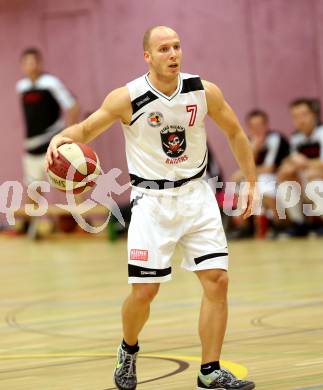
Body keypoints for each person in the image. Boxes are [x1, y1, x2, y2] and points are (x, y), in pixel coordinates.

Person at [45, 26, 256, 390]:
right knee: (145, 291)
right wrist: (59, 138)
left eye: (176, 47)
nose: (173, 54)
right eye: (163, 49)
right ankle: (128, 349)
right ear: (148, 56)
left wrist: (250, 182)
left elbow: (235, 132)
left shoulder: (203, 91)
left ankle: (209, 371)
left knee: (217, 281)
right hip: (151, 204)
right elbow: (86, 128)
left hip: (197, 196)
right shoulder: (127, 97)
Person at [16, 47, 79, 238]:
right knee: (33, 188)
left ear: (40, 63)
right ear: (22, 66)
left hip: (52, 144)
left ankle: (81, 224)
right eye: (26, 62)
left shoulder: (51, 83)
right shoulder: (21, 87)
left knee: (69, 184)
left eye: (34, 61)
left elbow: (73, 106)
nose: (31, 65)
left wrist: (68, 135)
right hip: (31, 146)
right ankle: (30, 228)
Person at [230, 109, 289, 239]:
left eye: (260, 125)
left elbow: (269, 168)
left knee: (264, 186)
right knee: (242, 188)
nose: (257, 129)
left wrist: (245, 172)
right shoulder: (247, 141)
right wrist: (254, 149)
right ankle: (244, 227)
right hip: (257, 177)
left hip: (277, 176)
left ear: (266, 125)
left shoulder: (275, 139)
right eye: (253, 126)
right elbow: (245, 166)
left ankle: (279, 225)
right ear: (248, 128)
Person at [277, 98, 323, 236]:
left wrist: (305, 163)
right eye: (295, 116)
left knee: (316, 182)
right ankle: (299, 224)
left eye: (304, 115)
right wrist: (287, 170)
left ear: (314, 114)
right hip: (306, 181)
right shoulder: (296, 138)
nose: (300, 120)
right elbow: (291, 163)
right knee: (286, 183)